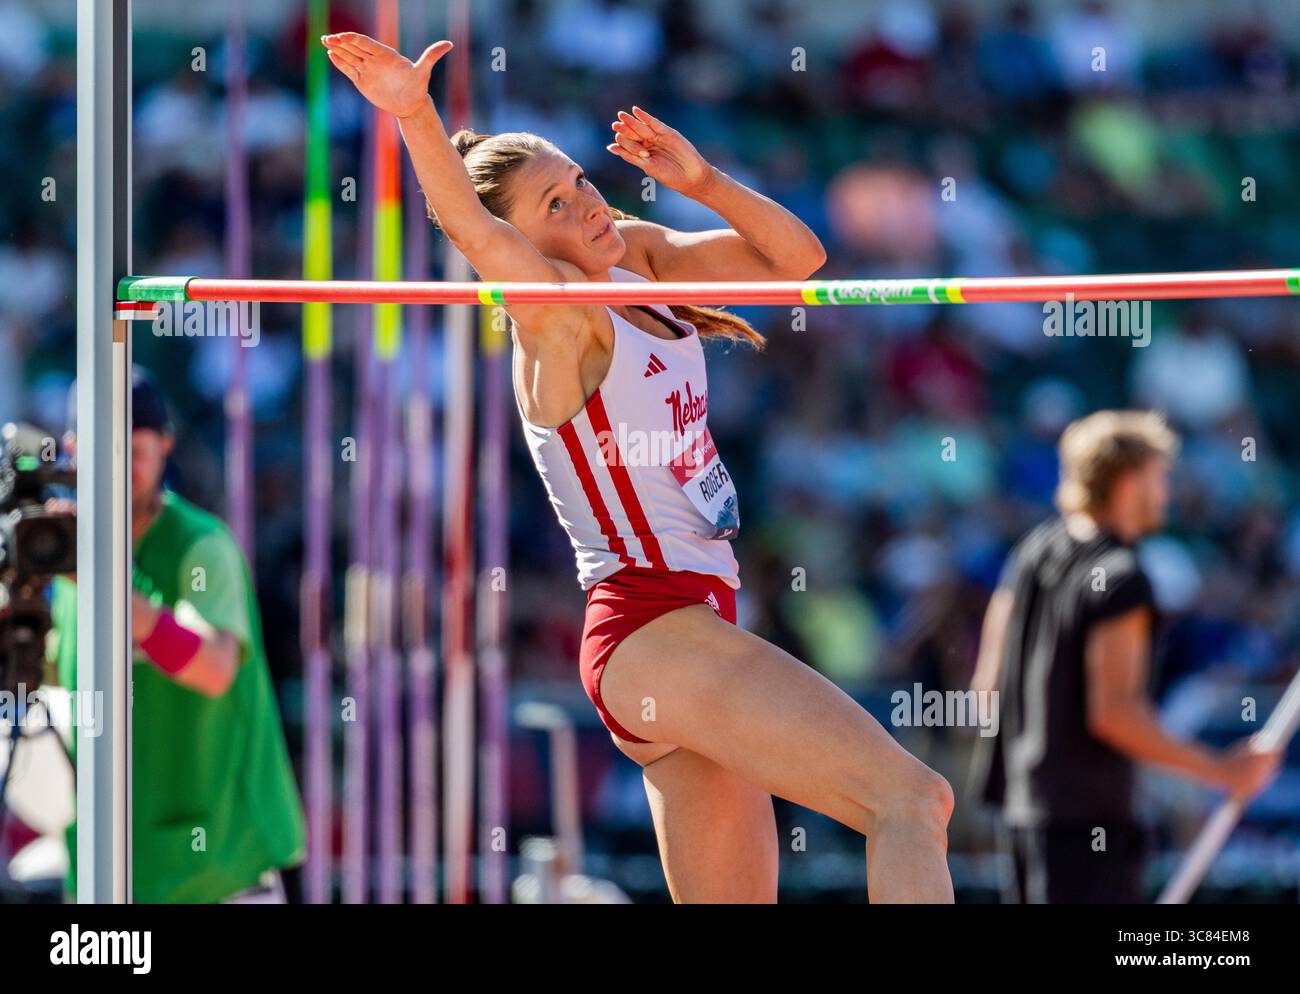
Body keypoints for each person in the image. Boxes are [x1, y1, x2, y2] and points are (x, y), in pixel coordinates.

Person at [324, 31, 955, 903]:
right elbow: (470, 228)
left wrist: (704, 184)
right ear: (528, 246)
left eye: (578, 180)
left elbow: (798, 259)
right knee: (912, 800)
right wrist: (414, 114)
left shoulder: (641, 254)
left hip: (691, 624)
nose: (585, 204)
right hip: (648, 627)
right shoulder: (555, 317)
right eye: (553, 206)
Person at [970, 410, 1282, 903]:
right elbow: (1114, 713)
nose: (1167, 494)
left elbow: (985, 689)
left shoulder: (1031, 552)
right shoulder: (1122, 577)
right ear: (1128, 482)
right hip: (1090, 824)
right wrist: (1222, 769)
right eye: (1160, 477)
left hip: (1023, 813)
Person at [51, 366, 305, 903]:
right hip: (120, 877)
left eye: (133, 452)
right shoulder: (67, 556)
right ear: (73, 449)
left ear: (165, 445)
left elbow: (212, 669)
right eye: (102, 451)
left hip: (221, 872)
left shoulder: (200, 545)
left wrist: (107, 588)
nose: (119, 468)